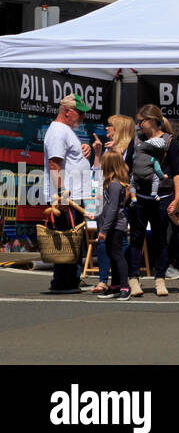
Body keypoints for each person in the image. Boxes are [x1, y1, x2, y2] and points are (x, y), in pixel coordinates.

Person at [125, 104, 179, 298]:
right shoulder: (136, 140)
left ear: (153, 120)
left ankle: (160, 279)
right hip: (138, 195)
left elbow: (177, 173)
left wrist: (177, 198)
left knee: (160, 238)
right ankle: (133, 279)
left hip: (163, 196)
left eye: (141, 121)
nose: (139, 125)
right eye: (138, 121)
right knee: (137, 237)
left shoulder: (169, 141)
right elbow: (127, 168)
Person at [42, 94, 93, 295]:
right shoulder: (58, 131)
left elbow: (67, 158)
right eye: (79, 113)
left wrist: (84, 150)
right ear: (67, 111)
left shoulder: (65, 130)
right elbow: (54, 163)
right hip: (67, 196)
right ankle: (63, 282)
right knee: (66, 239)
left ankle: (69, 279)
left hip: (72, 195)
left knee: (72, 239)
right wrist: (62, 194)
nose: (82, 117)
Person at [89, 114, 134, 294]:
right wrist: (98, 155)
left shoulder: (127, 149)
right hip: (105, 205)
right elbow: (97, 177)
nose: (106, 128)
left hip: (118, 210)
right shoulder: (108, 150)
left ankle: (121, 284)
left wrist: (118, 153)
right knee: (106, 246)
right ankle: (107, 282)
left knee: (116, 249)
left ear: (120, 129)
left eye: (110, 126)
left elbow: (124, 176)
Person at [94, 150, 131, 300]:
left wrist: (104, 229)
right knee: (111, 253)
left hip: (115, 226)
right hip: (110, 225)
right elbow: (106, 206)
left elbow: (113, 208)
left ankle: (124, 286)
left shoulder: (115, 184)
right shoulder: (109, 183)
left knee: (116, 255)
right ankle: (115, 286)